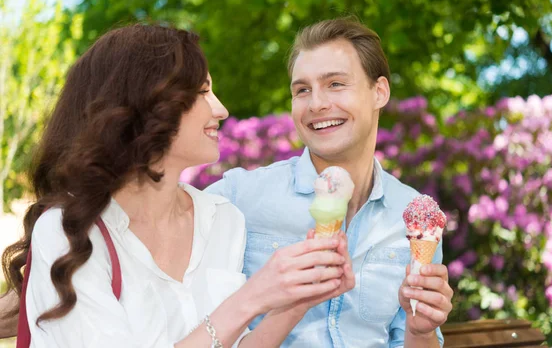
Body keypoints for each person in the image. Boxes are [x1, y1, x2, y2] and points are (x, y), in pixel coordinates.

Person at [0, 24, 355, 347]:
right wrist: (252, 297)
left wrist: (296, 301)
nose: (221, 109)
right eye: (202, 91)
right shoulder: (70, 234)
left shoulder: (221, 219)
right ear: (146, 104)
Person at [205, 18, 453, 347]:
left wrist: (419, 331)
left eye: (335, 84)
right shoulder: (239, 196)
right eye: (302, 90)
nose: (317, 104)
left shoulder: (413, 217)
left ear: (379, 92)